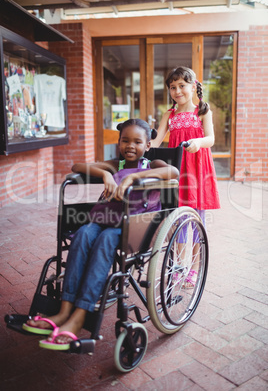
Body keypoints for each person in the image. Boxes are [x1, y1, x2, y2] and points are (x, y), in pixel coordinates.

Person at [23, 118, 179, 350]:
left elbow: (174, 171)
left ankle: (79, 316)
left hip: (135, 226)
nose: (130, 145)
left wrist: (133, 177)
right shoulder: (117, 164)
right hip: (106, 217)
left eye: (137, 141)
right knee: (84, 234)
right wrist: (106, 174)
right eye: (125, 140)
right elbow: (77, 167)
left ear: (147, 145)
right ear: (118, 143)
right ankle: (65, 310)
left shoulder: (152, 163)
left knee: (105, 240)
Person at [151, 67, 220, 287]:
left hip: (198, 170)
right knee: (178, 219)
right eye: (173, 87)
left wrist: (198, 143)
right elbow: (156, 141)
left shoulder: (202, 111)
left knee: (196, 220)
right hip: (177, 169)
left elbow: (210, 138)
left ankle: (194, 269)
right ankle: (179, 267)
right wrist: (140, 144)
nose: (177, 91)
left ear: (193, 86)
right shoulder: (168, 115)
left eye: (182, 86)